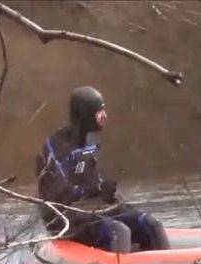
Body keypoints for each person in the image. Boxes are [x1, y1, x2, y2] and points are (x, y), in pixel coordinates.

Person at [36, 86, 170, 252]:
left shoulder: (88, 143)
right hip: (64, 218)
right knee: (119, 231)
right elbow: (60, 195)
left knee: (150, 224)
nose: (105, 115)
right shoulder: (57, 147)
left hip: (89, 211)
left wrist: (114, 199)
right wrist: (96, 190)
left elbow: (92, 184)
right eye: (100, 111)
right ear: (86, 114)